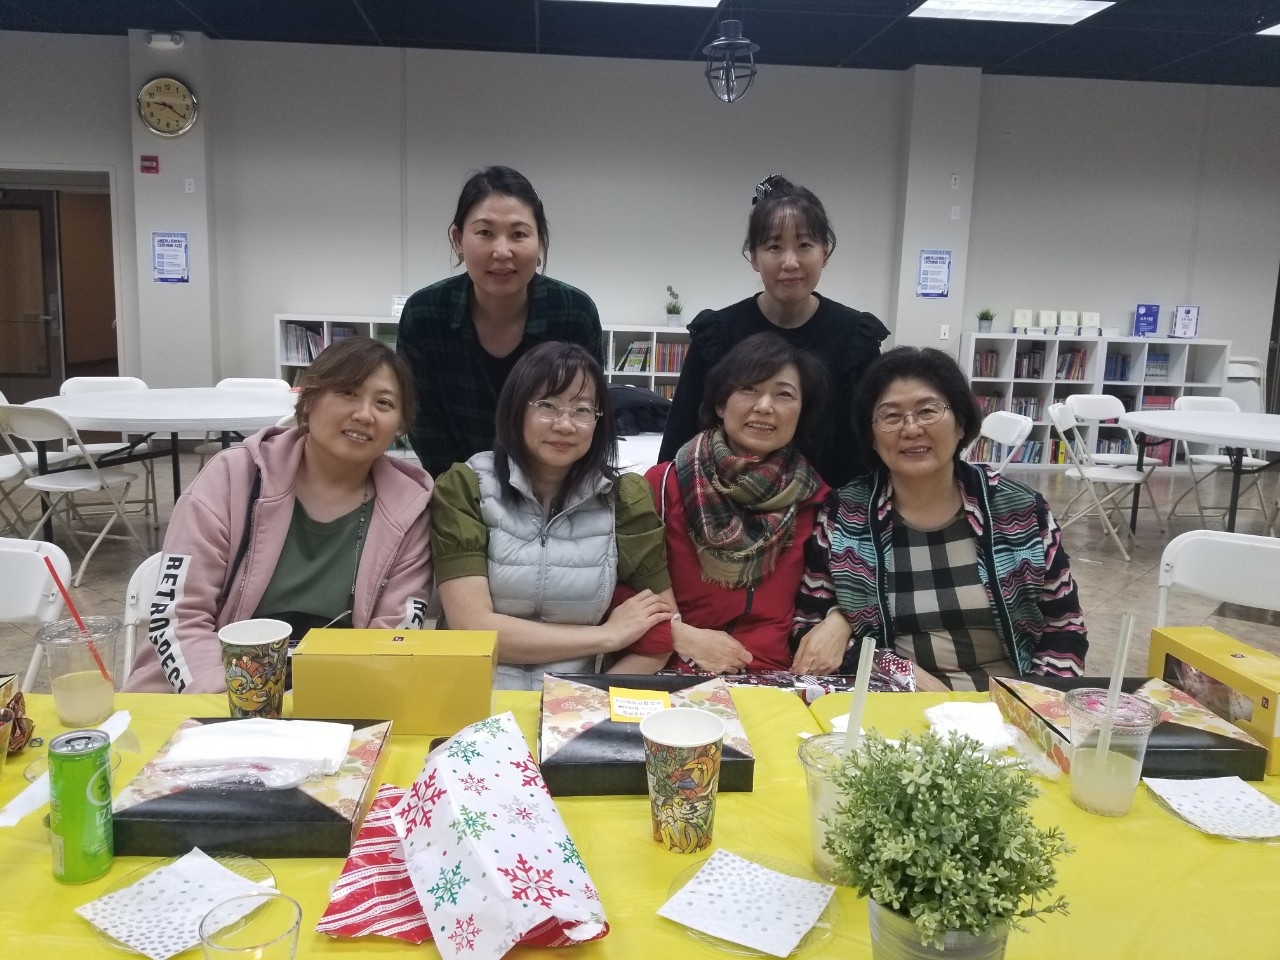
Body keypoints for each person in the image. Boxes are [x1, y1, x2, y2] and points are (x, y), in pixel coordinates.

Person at [126, 337, 434, 693]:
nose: (365, 415)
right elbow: (179, 615)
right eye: (348, 393)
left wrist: (324, 703)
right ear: (309, 400)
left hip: (336, 695)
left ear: (399, 424)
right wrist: (238, 703)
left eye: (384, 403)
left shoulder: (410, 507)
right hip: (209, 692)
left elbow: (394, 637)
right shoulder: (233, 478)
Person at [794, 346, 1088, 691]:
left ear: (960, 422)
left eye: (927, 411)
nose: (911, 429)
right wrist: (899, 673)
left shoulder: (1019, 509)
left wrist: (1030, 703)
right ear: (871, 437)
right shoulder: (845, 514)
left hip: (1005, 702)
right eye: (891, 416)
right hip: (893, 701)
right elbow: (806, 624)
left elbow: (1064, 626)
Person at [430, 341, 675, 690]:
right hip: (473, 695)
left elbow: (661, 632)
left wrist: (588, 697)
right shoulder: (467, 486)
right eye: (547, 405)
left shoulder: (624, 499)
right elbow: (472, 628)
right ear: (516, 409)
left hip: (577, 700)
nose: (565, 424)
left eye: (582, 410)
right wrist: (607, 636)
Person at [622, 332, 848, 675]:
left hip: (773, 682)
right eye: (749, 389)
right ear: (720, 404)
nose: (765, 406)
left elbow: (843, 590)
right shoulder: (663, 485)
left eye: (784, 394)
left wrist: (840, 619)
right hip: (673, 672)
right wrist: (678, 635)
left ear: (802, 412)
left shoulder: (816, 501)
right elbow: (613, 591)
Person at [658, 175, 889, 488]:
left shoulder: (855, 338)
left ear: (825, 252)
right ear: (754, 257)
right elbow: (681, 436)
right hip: (724, 502)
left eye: (804, 245)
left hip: (835, 506)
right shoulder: (717, 335)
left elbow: (873, 442)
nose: (790, 262)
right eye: (774, 247)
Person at [397, 166, 604, 478]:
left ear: (540, 242)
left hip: (551, 484)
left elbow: (584, 413)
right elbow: (423, 422)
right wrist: (463, 491)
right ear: (458, 239)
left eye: (518, 234)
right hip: (458, 486)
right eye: (485, 233)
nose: (502, 251)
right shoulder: (424, 314)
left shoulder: (575, 312)